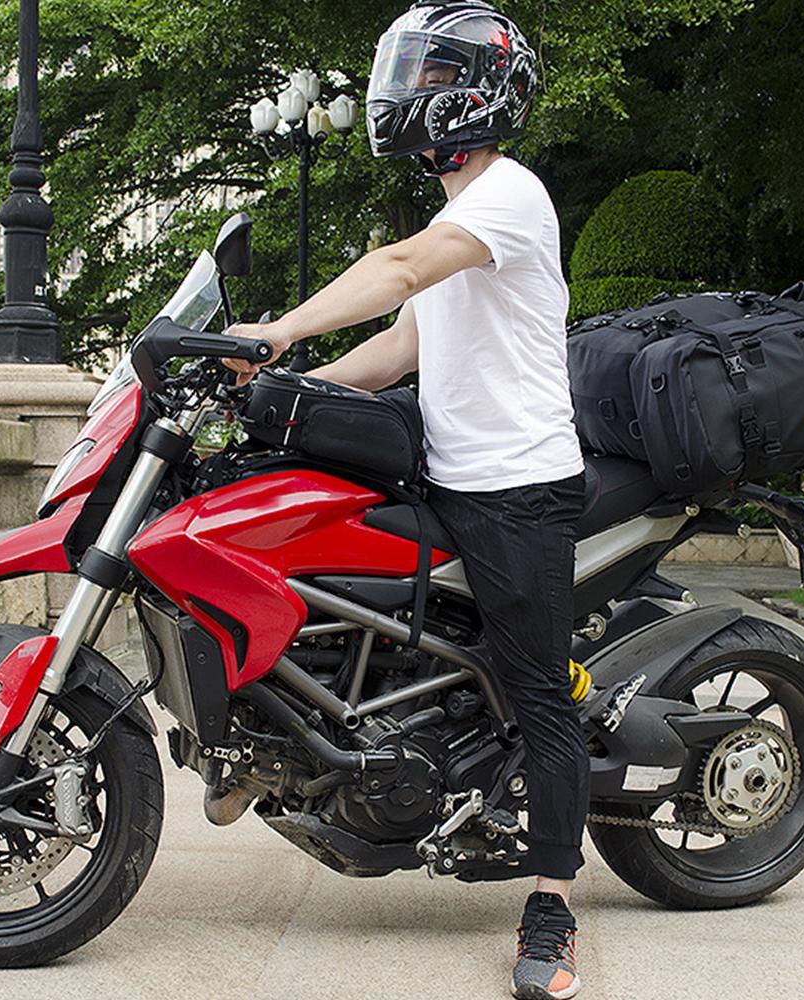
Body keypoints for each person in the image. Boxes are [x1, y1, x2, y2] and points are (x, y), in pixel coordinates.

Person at [226, 3, 588, 997]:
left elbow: (396, 274)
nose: (408, 93)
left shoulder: (508, 194)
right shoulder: (455, 216)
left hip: (517, 489)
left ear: (480, 91)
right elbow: (396, 350)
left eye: (430, 75)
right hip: (446, 472)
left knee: (539, 693)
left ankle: (552, 908)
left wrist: (278, 331)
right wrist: (280, 397)